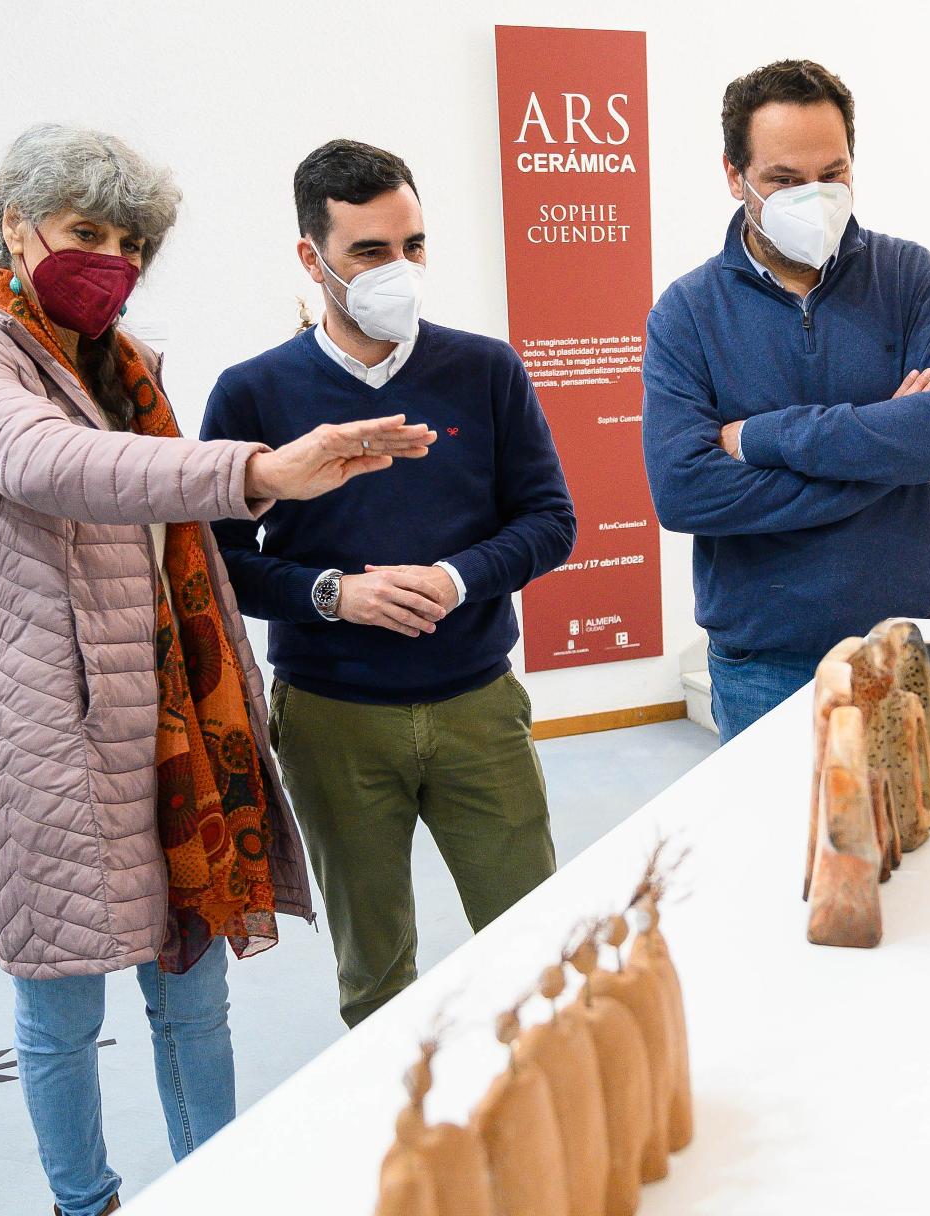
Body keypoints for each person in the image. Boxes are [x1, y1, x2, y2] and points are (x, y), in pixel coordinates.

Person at [0, 124, 434, 1216]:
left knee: (193, 989)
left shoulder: (123, 362)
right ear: (15, 225)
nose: (114, 258)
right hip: (45, 722)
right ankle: (84, 1203)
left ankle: (212, 1184)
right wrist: (257, 470)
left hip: (172, 710)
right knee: (62, 1003)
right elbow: (52, 461)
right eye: (87, 232)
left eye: (131, 241)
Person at [203, 140, 574, 1027]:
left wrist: (456, 577)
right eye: (370, 251)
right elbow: (221, 563)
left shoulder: (486, 371)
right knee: (373, 973)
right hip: (333, 719)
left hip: (477, 705)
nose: (399, 269)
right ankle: (397, 1112)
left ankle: (546, 1101)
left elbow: (549, 521)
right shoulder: (253, 393)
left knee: (533, 949)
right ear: (313, 259)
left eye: (413, 245)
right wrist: (333, 594)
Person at [642, 60, 930, 742]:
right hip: (764, 662)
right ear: (734, 175)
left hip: (908, 642)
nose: (815, 197)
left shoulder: (909, 277)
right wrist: (890, 457)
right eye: (785, 180)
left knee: (923, 817)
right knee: (769, 818)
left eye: (833, 174)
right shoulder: (687, 313)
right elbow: (684, 493)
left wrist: (762, 437)